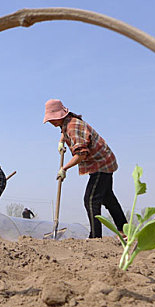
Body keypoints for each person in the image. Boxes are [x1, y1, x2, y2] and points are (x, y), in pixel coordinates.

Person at [43, 99, 127, 239]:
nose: (50, 122)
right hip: (102, 161)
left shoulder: (73, 126)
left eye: (52, 119)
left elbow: (81, 154)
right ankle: (125, 230)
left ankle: (95, 236)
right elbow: (64, 132)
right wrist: (61, 142)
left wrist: (64, 168)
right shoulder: (66, 124)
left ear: (59, 116)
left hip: (101, 163)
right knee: (108, 198)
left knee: (91, 199)